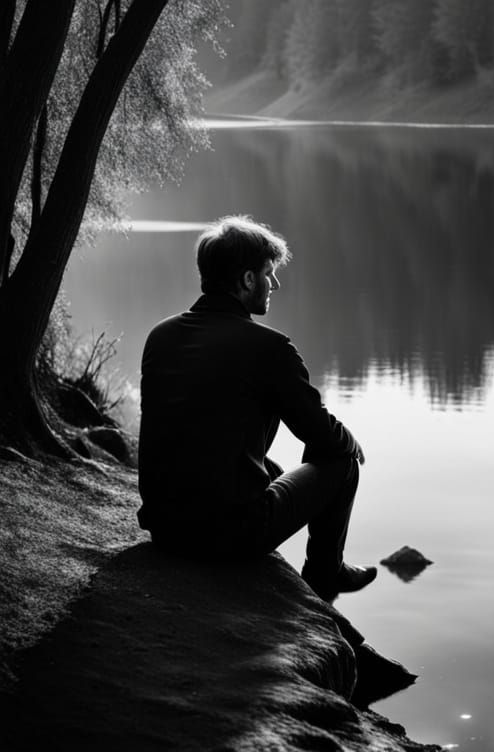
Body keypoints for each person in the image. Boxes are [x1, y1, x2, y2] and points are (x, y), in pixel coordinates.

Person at [137, 213, 377, 601]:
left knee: (277, 471)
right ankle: (325, 574)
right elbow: (319, 435)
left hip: (164, 528)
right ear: (248, 279)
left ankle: (320, 571)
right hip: (227, 537)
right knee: (341, 463)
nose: (275, 284)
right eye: (270, 273)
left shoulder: (160, 336)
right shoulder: (269, 348)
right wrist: (350, 441)